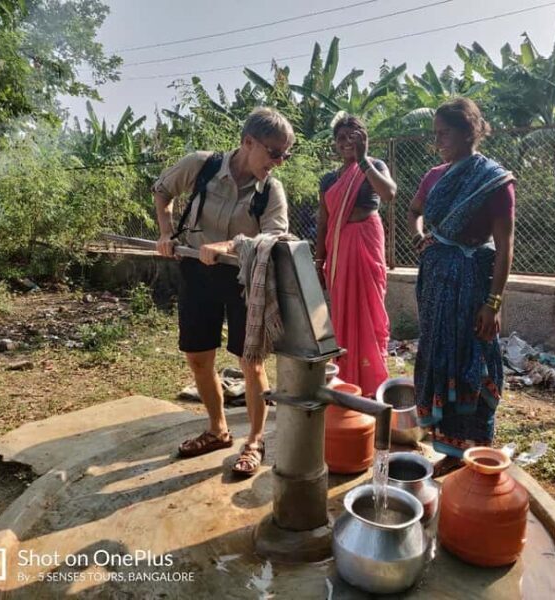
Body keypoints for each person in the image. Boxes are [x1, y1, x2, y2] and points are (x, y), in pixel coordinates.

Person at [152, 107, 294, 477]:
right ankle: (217, 429)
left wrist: (228, 245)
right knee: (198, 357)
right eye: (274, 152)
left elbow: (273, 236)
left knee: (251, 361)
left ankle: (256, 440)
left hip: (244, 279)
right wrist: (166, 232)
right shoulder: (202, 165)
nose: (278, 162)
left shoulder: (271, 190)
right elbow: (162, 190)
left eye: (285, 154)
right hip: (195, 272)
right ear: (248, 142)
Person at [407, 98, 516, 477]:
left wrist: (494, 302)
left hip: (473, 284)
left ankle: (477, 449)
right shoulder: (435, 176)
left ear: (469, 131)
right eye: (435, 134)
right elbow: (414, 211)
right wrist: (420, 236)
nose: (438, 141)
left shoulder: (494, 181)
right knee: (441, 357)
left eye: (444, 133)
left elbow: (504, 248)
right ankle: (451, 451)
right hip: (435, 282)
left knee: (474, 359)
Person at [315, 115, 396, 398]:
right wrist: (318, 260)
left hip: (366, 241)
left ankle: (373, 380)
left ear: (363, 137)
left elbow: (389, 193)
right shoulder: (328, 180)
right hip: (338, 247)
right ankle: (346, 376)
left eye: (353, 136)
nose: (346, 142)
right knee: (342, 310)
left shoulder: (375, 166)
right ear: (335, 144)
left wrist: (363, 161)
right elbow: (323, 222)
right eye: (341, 138)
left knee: (370, 305)